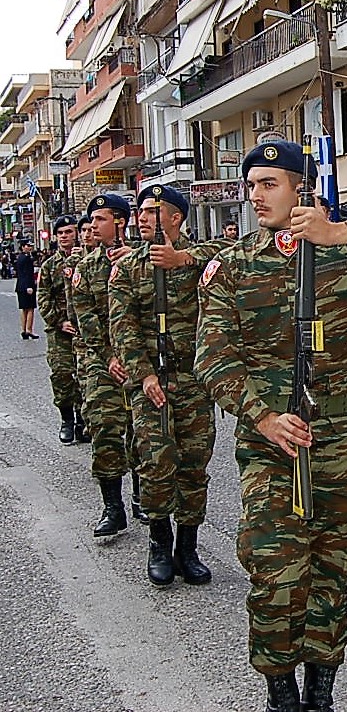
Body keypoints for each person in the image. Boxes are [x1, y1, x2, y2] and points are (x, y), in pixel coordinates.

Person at [195, 140, 347, 712]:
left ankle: (322, 691)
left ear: (300, 187)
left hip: (337, 445)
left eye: (269, 184)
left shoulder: (341, 254)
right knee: (276, 571)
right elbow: (213, 358)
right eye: (250, 185)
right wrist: (263, 417)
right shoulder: (234, 266)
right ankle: (279, 687)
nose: (255, 196)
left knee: (331, 568)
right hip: (271, 449)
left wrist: (341, 232)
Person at [109, 185, 224, 587]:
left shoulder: (199, 259)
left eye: (151, 212)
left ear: (175, 219)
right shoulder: (127, 269)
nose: (141, 218)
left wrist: (182, 259)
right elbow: (122, 328)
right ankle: (159, 543)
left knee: (194, 465)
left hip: (194, 379)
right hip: (152, 381)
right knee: (156, 463)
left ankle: (187, 548)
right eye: (139, 212)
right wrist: (143, 375)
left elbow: (232, 257)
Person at [72, 194, 139, 538]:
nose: (92, 226)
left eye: (99, 219)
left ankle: (144, 494)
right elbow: (85, 320)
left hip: (142, 358)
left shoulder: (145, 259)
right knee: (104, 425)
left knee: (146, 433)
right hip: (103, 361)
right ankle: (113, 507)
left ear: (120, 222)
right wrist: (111, 358)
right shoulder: (85, 269)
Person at [36, 215, 85, 442]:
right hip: (59, 331)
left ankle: (83, 420)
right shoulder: (49, 266)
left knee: (85, 376)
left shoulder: (86, 259)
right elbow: (43, 298)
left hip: (85, 328)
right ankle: (67, 419)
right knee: (62, 375)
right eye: (61, 233)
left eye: (69, 232)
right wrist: (59, 321)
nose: (65, 237)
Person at [63, 215, 97, 444]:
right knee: (76, 380)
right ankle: (76, 420)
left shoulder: (121, 257)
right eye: (83, 230)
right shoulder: (75, 263)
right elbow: (70, 299)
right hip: (81, 335)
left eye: (89, 229)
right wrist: (62, 321)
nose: (87, 234)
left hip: (108, 336)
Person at [15, 242, 39, 339]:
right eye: (27, 246)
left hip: (20, 286)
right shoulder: (27, 258)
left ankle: (23, 330)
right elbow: (27, 273)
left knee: (23, 309)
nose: (30, 248)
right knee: (30, 308)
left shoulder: (19, 257)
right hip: (27, 286)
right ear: (23, 247)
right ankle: (29, 330)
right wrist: (29, 286)